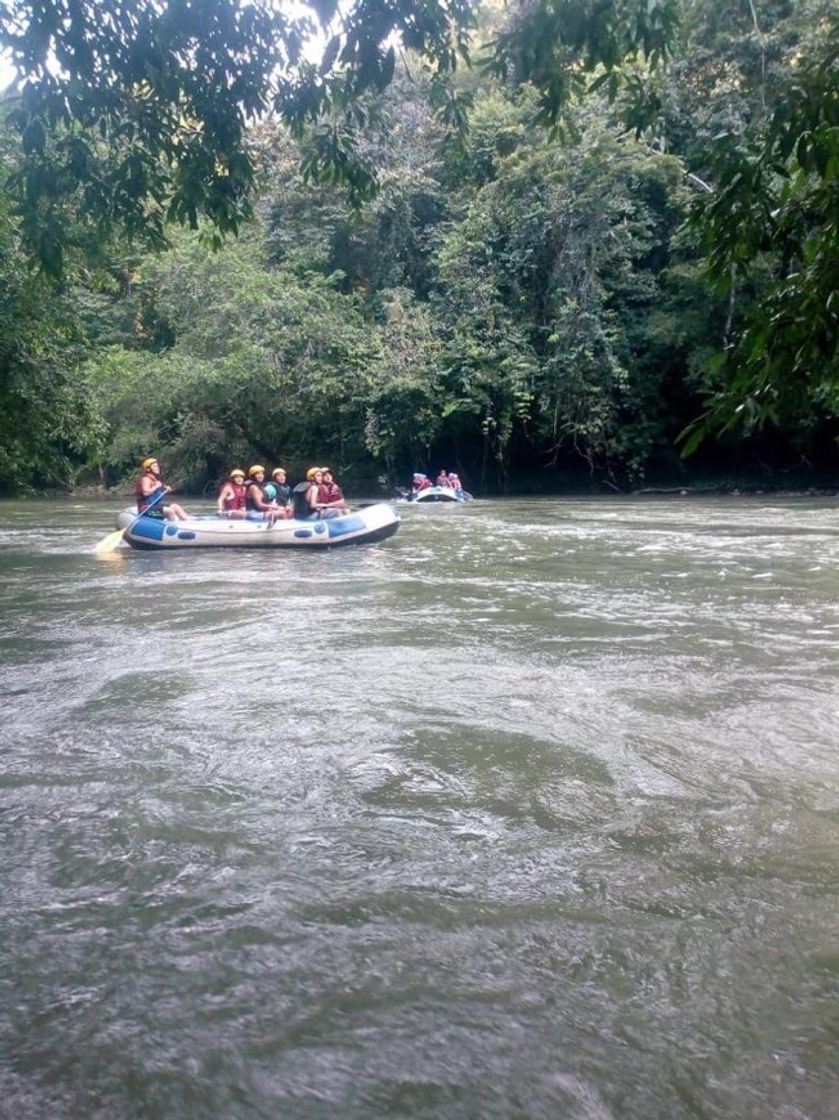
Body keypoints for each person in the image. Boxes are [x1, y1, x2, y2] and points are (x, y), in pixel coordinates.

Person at [135, 457, 189, 521]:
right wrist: (156, 487)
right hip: (146, 509)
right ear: (148, 469)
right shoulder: (145, 479)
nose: (158, 468)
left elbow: (159, 489)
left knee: (175, 506)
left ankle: (190, 524)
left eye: (157, 466)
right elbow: (145, 492)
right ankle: (173, 528)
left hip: (155, 507)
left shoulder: (155, 480)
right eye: (154, 466)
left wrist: (166, 488)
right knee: (169, 511)